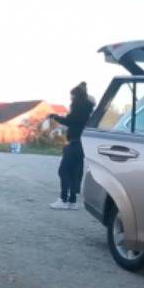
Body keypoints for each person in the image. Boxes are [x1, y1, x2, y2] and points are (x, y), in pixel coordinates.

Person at [48, 82, 95, 210]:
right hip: (83, 144)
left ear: (76, 96)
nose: (70, 99)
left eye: (72, 96)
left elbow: (69, 121)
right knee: (75, 171)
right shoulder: (88, 108)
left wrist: (55, 117)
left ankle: (63, 199)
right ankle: (72, 201)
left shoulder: (78, 107)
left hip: (74, 142)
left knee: (63, 171)